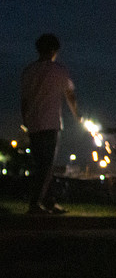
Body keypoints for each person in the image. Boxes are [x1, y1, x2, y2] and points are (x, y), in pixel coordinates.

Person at [20, 33, 80, 214]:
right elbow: (70, 94)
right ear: (54, 51)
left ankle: (48, 201)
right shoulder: (59, 70)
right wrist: (78, 115)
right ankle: (35, 203)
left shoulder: (29, 70)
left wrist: (26, 121)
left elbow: (24, 100)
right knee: (46, 165)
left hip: (34, 123)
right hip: (50, 122)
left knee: (42, 163)